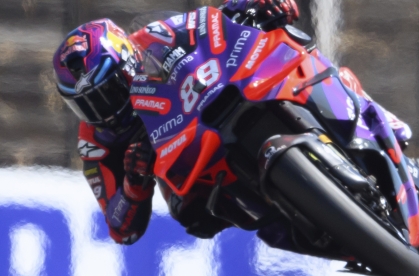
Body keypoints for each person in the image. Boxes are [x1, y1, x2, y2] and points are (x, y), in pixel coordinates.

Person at [53, 0, 300, 245]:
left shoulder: (155, 36)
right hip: (190, 156)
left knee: (281, 47)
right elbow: (121, 229)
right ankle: (281, 221)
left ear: (128, 64)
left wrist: (250, 5)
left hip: (219, 97)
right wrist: (134, 182)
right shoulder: (94, 140)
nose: (103, 112)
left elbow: (209, 22)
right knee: (189, 212)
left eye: (108, 92)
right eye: (85, 105)